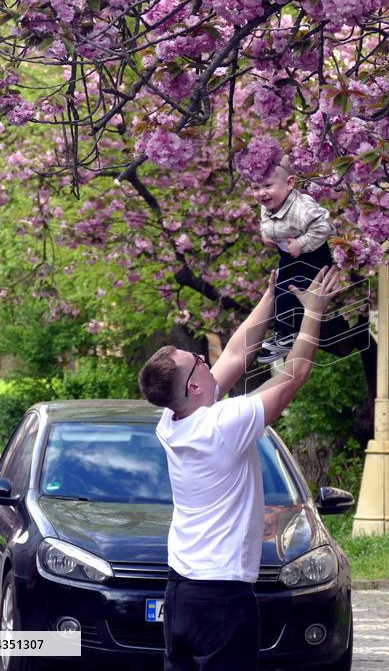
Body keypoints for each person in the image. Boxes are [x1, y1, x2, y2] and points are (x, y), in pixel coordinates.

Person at [137, 266, 340, 671]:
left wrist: (272, 295)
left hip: (181, 589)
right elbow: (295, 374)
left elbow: (234, 353)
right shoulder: (221, 425)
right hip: (221, 596)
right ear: (194, 387)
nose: (203, 358)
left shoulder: (173, 421)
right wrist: (314, 310)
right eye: (197, 361)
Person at [254, 157, 334, 363]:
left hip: (313, 254)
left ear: (289, 184)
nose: (261, 193)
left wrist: (302, 244)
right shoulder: (268, 205)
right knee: (280, 289)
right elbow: (266, 222)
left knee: (292, 291)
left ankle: (288, 334)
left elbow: (323, 228)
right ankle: (283, 334)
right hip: (288, 254)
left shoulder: (302, 208)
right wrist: (267, 236)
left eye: (268, 186)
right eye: (255, 187)